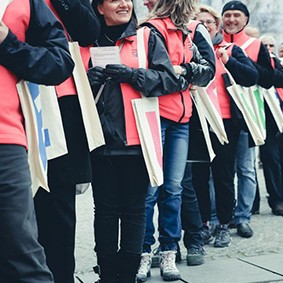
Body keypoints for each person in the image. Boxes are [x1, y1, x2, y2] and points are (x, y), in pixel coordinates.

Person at [88, 0, 187, 282]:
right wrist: (88, 79)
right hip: (100, 141)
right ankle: (107, 274)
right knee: (104, 212)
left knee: (134, 211)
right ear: (99, 8)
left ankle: (127, 275)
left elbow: (169, 80)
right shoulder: (86, 40)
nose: (124, 3)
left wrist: (133, 75)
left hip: (138, 141)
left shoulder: (145, 37)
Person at [136, 0, 215, 281]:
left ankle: (169, 249)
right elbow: (154, 75)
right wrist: (183, 73)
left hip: (181, 119)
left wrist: (182, 70)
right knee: (150, 190)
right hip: (155, 116)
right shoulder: (149, 29)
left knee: (173, 189)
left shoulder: (190, 30)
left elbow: (208, 71)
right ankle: (143, 252)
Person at [0, 0, 74, 281]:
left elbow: (59, 62)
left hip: (5, 140)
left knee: (20, 253)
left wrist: (7, 42)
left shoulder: (25, 2)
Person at [33, 1, 101, 283]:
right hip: (16, 100)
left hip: (62, 101)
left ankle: (61, 276)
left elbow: (88, 31)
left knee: (59, 207)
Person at [194, 3, 259, 247]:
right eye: (200, 23)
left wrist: (228, 61)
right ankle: (203, 224)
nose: (205, 27)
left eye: (209, 22)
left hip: (226, 123)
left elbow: (251, 77)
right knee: (199, 177)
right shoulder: (189, 50)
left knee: (223, 175)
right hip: (197, 123)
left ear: (217, 26)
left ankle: (223, 223)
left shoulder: (229, 48)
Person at [221, 1, 274, 239]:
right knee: (220, 171)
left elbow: (268, 78)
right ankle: (219, 216)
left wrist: (242, 64)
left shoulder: (255, 44)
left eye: (237, 15)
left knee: (245, 168)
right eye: (227, 15)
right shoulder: (212, 41)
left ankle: (243, 216)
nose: (231, 19)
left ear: (246, 20)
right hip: (220, 114)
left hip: (246, 115)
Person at [258, 33, 283, 216]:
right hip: (265, 120)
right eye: (264, 46)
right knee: (271, 160)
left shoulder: (279, 65)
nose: (268, 49)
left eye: (270, 46)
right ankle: (276, 199)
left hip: (280, 118)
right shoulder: (259, 65)